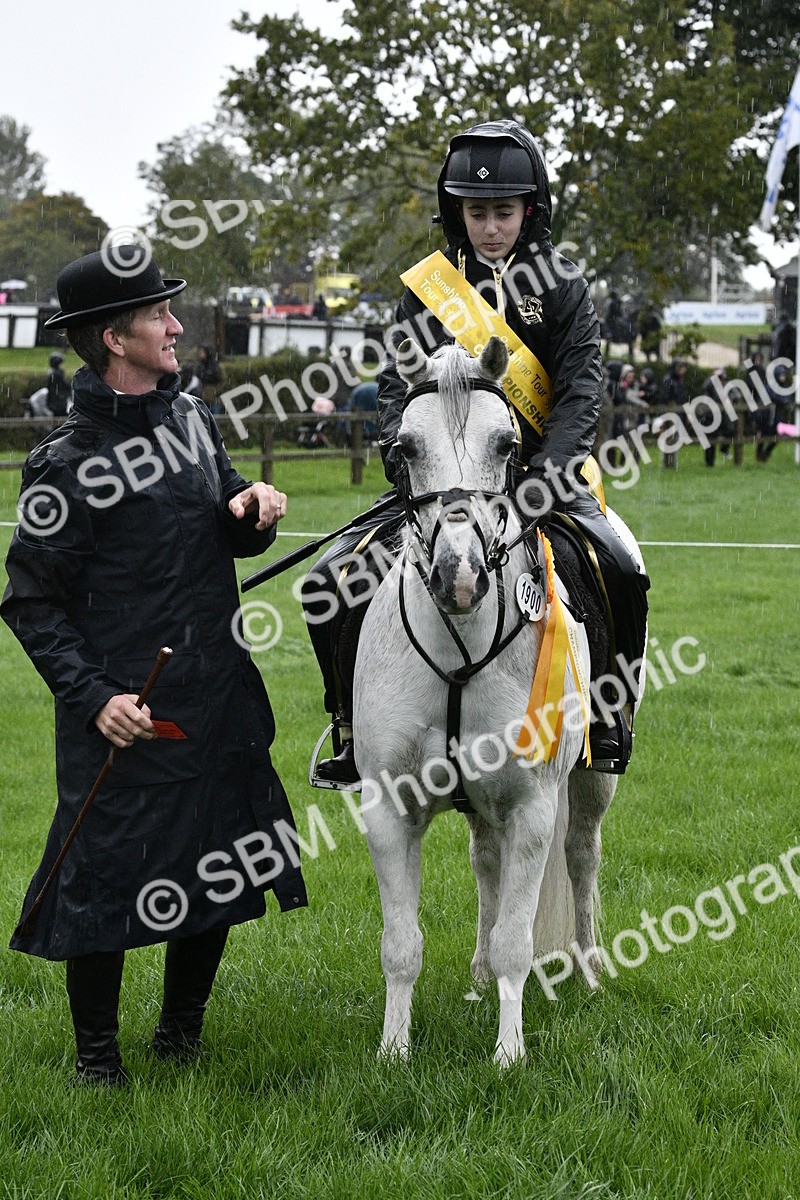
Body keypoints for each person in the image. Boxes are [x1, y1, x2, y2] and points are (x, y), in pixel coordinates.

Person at [1, 245, 307, 1087]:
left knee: (212, 861)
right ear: (113, 338)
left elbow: (226, 518)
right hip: (126, 712)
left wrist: (255, 513)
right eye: (159, 316)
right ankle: (97, 1061)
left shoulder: (192, 420)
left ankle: (182, 1034)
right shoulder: (66, 461)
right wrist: (95, 698)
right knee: (102, 881)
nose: (177, 326)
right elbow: (32, 603)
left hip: (214, 696)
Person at [302, 119, 650, 782]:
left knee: (621, 567)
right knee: (327, 579)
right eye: (477, 212)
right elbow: (391, 393)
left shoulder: (563, 288)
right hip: (438, 482)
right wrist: (403, 465)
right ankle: (352, 730)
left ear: (530, 210)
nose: (491, 226)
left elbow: (580, 393)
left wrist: (542, 483)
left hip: (538, 479)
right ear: (457, 212)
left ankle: (607, 715)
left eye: (504, 212)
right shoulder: (426, 291)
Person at [701, 368, 734, 466]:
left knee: (730, 431)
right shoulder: (710, 385)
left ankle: (724, 449)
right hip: (710, 416)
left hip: (722, 416)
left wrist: (730, 398)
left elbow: (736, 394)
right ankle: (709, 463)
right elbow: (705, 388)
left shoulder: (727, 385)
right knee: (710, 440)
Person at [198, 343, 222, 413]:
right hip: (203, 398)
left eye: (202, 352)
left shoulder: (216, 366)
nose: (200, 354)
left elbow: (222, 381)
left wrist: (216, 391)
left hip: (214, 399)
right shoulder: (201, 366)